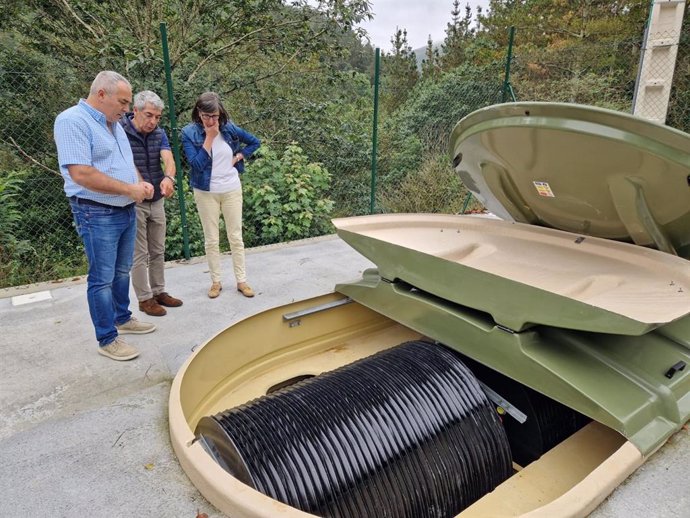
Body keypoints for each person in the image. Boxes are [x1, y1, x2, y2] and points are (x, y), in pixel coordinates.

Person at [54, 71, 156, 361]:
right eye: (122, 102)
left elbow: (126, 161)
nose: (126, 109)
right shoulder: (72, 121)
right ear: (101, 94)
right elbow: (81, 173)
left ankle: (122, 317)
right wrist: (129, 188)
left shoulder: (115, 124)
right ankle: (107, 338)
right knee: (102, 278)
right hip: (96, 211)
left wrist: (139, 183)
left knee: (121, 270)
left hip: (124, 207)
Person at [181, 92, 261, 299]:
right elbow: (197, 165)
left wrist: (240, 155)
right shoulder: (189, 133)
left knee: (235, 236)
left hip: (231, 189)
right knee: (212, 239)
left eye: (215, 116)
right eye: (207, 116)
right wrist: (209, 137)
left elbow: (254, 142)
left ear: (220, 114)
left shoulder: (229, 128)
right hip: (206, 192)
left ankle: (241, 280)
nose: (211, 120)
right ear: (199, 113)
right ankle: (216, 282)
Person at [120, 90, 183, 317]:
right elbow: (126, 162)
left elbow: (168, 158)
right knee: (140, 253)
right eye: (148, 115)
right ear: (135, 110)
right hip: (134, 200)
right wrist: (139, 183)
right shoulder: (120, 130)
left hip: (157, 199)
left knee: (157, 250)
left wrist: (169, 178)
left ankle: (159, 292)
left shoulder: (159, 133)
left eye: (157, 117)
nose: (153, 121)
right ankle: (144, 299)